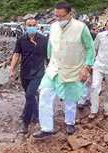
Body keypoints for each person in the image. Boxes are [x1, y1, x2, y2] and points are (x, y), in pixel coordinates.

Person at [33, 2, 95, 138]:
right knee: (44, 94)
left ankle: (70, 123)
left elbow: (90, 48)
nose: (59, 19)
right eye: (56, 16)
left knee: (70, 98)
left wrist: (87, 67)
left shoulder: (81, 27)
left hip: (72, 69)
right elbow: (51, 45)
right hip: (53, 68)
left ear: (70, 14)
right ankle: (46, 128)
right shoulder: (53, 27)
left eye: (62, 16)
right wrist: (48, 61)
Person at [9, 18, 48, 134]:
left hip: (38, 73)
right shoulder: (21, 39)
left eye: (33, 25)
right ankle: (35, 114)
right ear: (25, 26)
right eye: (29, 25)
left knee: (30, 94)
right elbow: (16, 54)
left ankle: (25, 124)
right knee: (29, 96)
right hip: (24, 73)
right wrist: (12, 69)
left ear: (37, 26)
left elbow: (49, 57)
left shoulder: (44, 40)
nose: (31, 27)